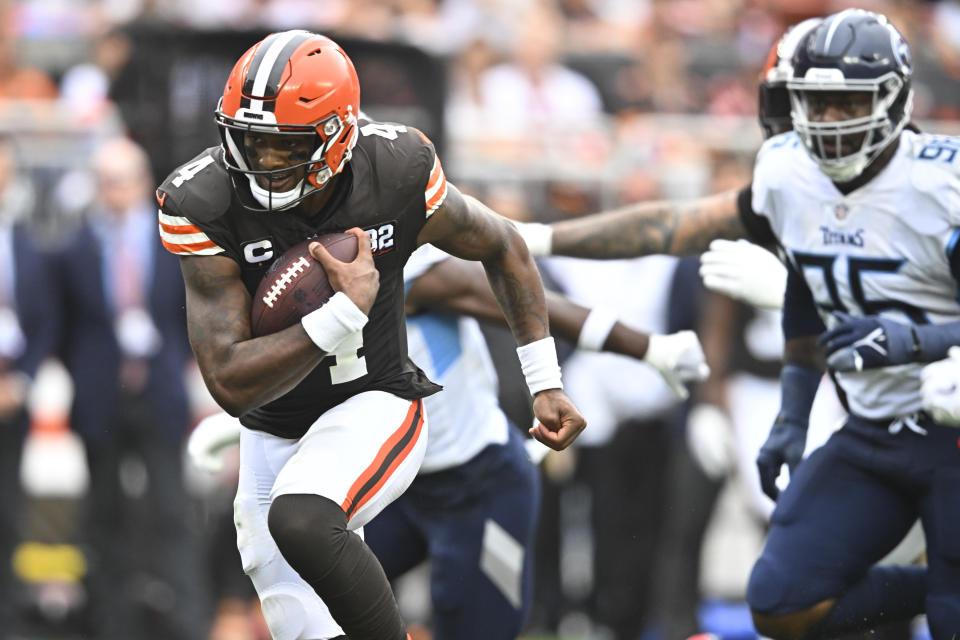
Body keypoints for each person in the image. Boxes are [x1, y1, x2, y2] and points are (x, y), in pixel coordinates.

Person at [520, 9, 960, 638]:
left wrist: (920, 340)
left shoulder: (940, 183)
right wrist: (531, 237)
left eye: (848, 103)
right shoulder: (790, 174)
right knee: (781, 604)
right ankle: (939, 585)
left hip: (951, 429)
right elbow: (672, 225)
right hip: (872, 428)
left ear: (895, 99)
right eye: (816, 103)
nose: (830, 123)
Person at [155, 30, 586, 640]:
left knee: (302, 517)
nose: (259, 162)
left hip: (376, 399)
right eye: (247, 140)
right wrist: (337, 316)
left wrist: (544, 381)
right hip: (272, 426)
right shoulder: (201, 200)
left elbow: (504, 245)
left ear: (336, 137)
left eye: (283, 148)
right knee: (301, 619)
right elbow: (228, 382)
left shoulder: (397, 168)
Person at [189, 242, 708, 639]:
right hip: (390, 486)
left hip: (475, 482)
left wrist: (650, 348)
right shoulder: (284, 265)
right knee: (315, 597)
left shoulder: (408, 266)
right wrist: (250, 423)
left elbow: (533, 304)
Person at [58, 137, 208, 639]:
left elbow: (195, 314)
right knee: (103, 516)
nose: (112, 194)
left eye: (120, 182)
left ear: (142, 184)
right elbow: (66, 325)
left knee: (171, 511)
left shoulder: (172, 243)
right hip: (102, 396)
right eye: (104, 184)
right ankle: (108, 624)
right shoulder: (79, 246)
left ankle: (188, 622)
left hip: (160, 392)